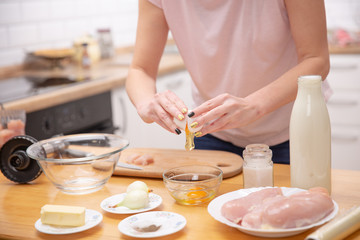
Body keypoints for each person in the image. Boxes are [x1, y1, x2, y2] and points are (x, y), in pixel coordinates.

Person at [125, 0, 330, 164]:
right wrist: (144, 103)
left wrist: (255, 106)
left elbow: (316, 60)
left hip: (293, 130)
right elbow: (140, 69)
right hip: (212, 131)